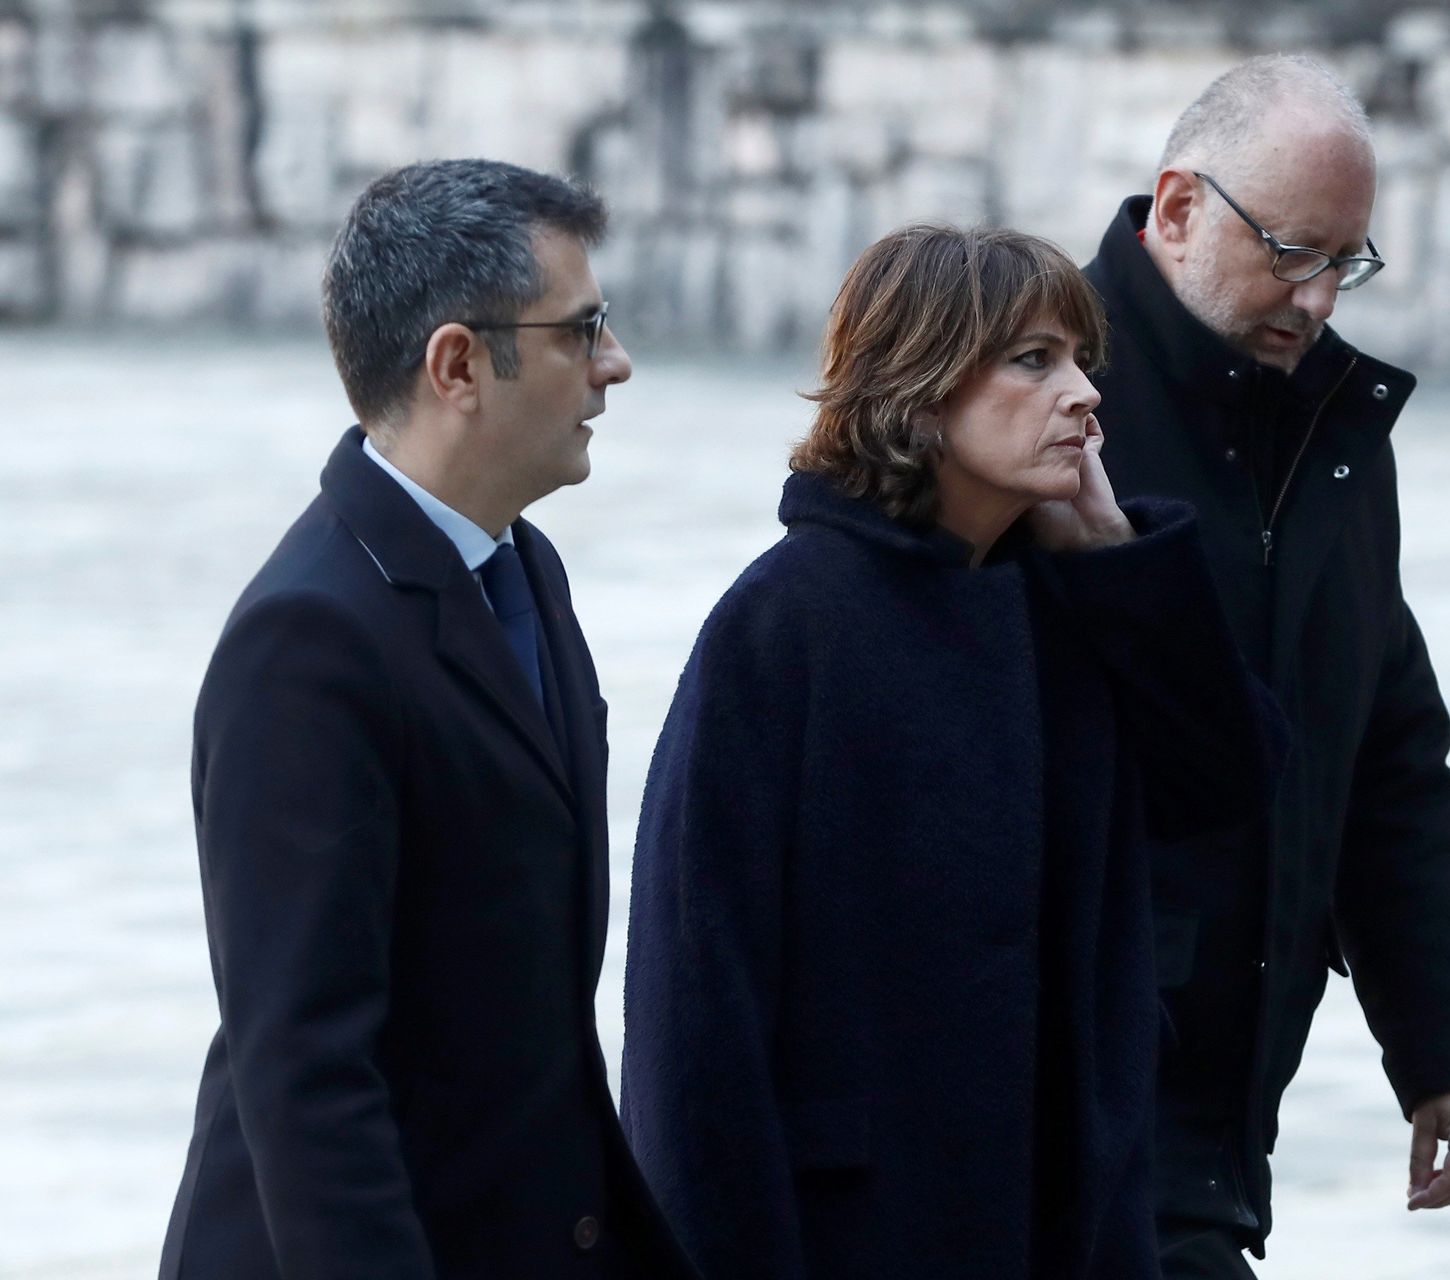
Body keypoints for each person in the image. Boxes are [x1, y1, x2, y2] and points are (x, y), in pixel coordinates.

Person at [619, 224, 1285, 1280]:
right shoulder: (783, 625)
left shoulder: (1076, 605)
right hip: (858, 1231)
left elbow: (1231, 789)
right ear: (920, 388)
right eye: (1034, 360)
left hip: (1078, 1222)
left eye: (1082, 360)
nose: (1084, 394)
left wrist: (1121, 562)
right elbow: (694, 1017)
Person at [159, 159, 694, 1279]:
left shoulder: (527, 567)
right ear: (459, 365)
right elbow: (307, 1077)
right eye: (581, 330)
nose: (615, 362)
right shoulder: (305, 641)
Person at [1081, 54, 1450, 1276]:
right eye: (1289, 252)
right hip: (1062, 1100)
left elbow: (1387, 748)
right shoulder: (1046, 391)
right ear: (1178, 207)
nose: (1318, 298)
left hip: (1220, 1121)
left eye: (1345, 261)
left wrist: (1448, 1049)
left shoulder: (1332, 423)